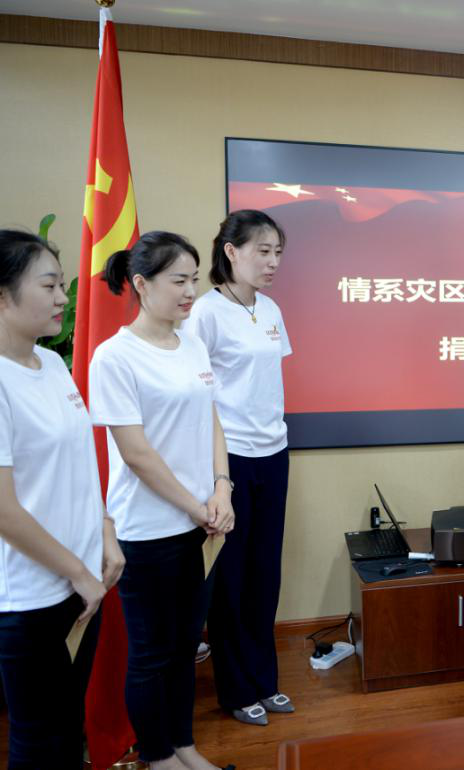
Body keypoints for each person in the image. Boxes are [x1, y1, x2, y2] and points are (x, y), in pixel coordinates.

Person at [90, 231, 236, 770]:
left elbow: (212, 418)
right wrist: (197, 507)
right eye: (178, 280)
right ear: (141, 284)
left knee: (184, 646)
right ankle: (157, 756)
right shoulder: (115, 356)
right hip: (149, 529)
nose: (190, 291)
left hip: (202, 524)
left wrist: (221, 486)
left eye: (194, 279)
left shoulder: (190, 343)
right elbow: (136, 454)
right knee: (152, 653)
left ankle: (184, 746)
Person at [0, 230, 124, 768]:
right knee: (38, 739)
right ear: (2, 297)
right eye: (48, 286)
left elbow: (80, 466)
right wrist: (77, 572)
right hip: (31, 596)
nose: (62, 298)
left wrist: (105, 530)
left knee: (67, 727)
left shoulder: (50, 364)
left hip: (81, 582)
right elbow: (4, 511)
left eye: (62, 285)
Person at [185, 210, 294, 727]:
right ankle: (235, 689)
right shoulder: (204, 313)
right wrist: (216, 474)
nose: (273, 262)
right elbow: (197, 396)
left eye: (277, 253)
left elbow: (268, 383)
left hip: (274, 452)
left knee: (265, 572)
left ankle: (264, 681)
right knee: (231, 577)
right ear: (230, 251)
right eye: (262, 251)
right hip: (228, 460)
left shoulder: (270, 308)